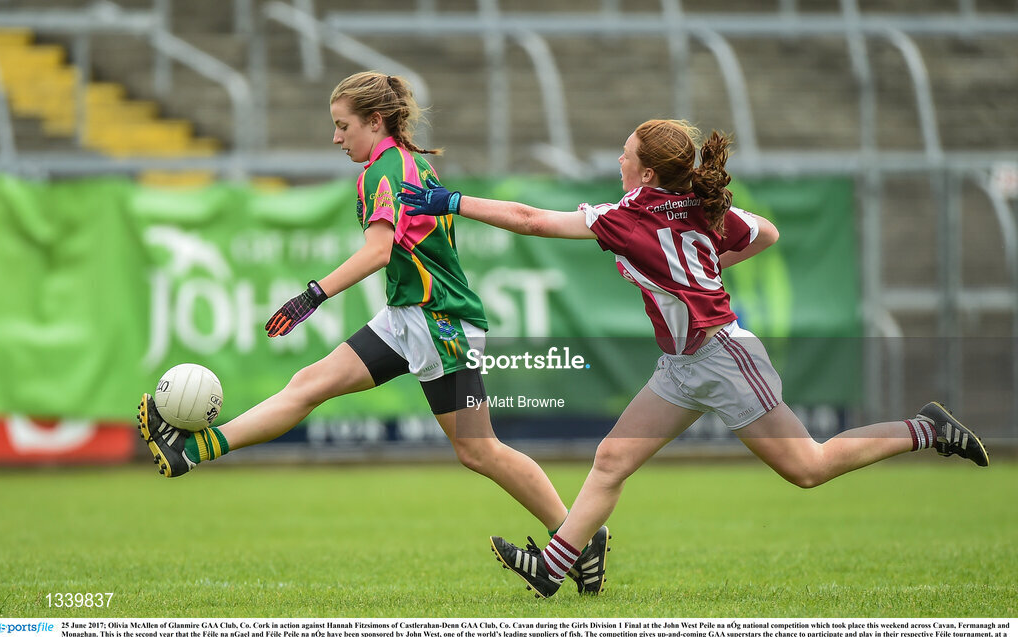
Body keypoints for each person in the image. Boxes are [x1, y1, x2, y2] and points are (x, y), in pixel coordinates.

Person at [396, 118, 990, 598]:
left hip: (723, 356)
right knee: (610, 462)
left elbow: (530, 219)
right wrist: (705, 270)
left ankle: (924, 428)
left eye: (626, 153)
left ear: (647, 171)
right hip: (682, 366)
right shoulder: (699, 206)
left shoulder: (624, 215)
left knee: (808, 468)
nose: (619, 159)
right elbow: (768, 234)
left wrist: (451, 201)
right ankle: (554, 570)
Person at [135, 71, 609, 595]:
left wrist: (313, 295)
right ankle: (191, 453)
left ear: (374, 121)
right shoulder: (406, 162)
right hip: (409, 315)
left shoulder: (383, 170)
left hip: (438, 321)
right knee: (309, 384)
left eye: (342, 126)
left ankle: (579, 539)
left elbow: (378, 251)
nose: (336, 138)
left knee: (479, 451)